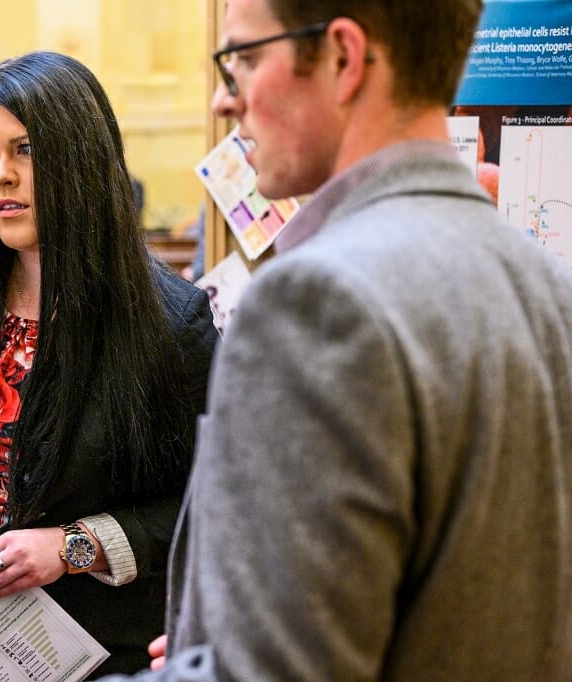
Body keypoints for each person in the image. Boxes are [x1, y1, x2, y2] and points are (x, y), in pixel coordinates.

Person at [99, 0, 572, 679]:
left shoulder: (317, 300)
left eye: (246, 59)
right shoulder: (548, 285)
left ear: (344, 59)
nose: (220, 99)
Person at [0, 51, 218, 676]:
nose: (2, 176)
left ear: (79, 157)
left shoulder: (169, 320)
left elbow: (204, 505)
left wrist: (72, 547)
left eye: (25, 150)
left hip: (100, 657)